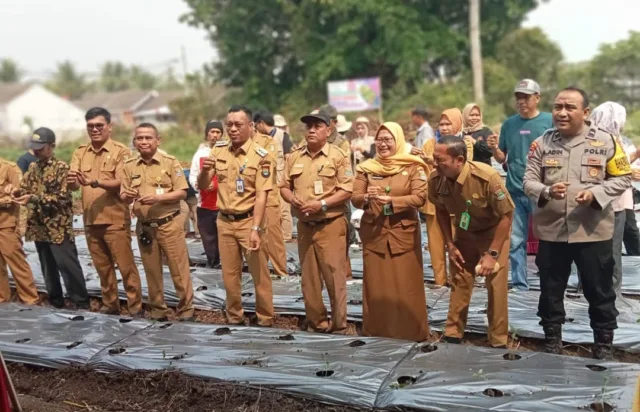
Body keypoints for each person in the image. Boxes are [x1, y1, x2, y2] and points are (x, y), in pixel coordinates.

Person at [524, 88, 631, 359]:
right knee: (550, 290)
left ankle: (603, 343)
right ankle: (552, 339)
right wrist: (547, 192)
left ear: (585, 113)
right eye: (558, 106)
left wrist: (595, 194)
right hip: (552, 232)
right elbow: (529, 181)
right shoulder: (541, 144)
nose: (561, 112)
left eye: (569, 107)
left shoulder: (607, 142)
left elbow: (623, 178)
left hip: (592, 232)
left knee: (599, 290)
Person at [429, 135, 514, 347]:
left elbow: (506, 216)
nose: (434, 163)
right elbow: (439, 209)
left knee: (495, 286)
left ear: (459, 160)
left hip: (493, 234)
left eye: (440, 160)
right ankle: (453, 332)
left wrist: (492, 254)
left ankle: (498, 339)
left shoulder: (487, 177)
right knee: (460, 280)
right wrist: (450, 244)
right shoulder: (435, 179)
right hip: (464, 234)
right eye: (434, 158)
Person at [352, 122, 429, 341]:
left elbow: (420, 198)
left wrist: (393, 201)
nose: (383, 144)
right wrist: (366, 198)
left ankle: (411, 332)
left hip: (402, 233)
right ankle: (377, 331)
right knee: (376, 285)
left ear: (398, 141)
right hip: (375, 233)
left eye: (388, 139)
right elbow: (355, 197)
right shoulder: (366, 168)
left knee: (407, 285)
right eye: (380, 140)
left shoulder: (413, 166)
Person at [198, 106, 275, 326]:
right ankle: (234, 316)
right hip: (224, 222)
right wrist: (205, 171)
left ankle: (265, 318)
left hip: (249, 220)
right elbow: (203, 185)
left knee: (259, 274)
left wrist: (255, 229)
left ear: (250, 126)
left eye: (238, 124)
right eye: (229, 124)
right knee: (230, 276)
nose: (232, 129)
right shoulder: (218, 150)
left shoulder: (262, 156)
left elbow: (262, 195)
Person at [280, 110, 352, 333]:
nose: (311, 130)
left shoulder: (338, 156)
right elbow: (283, 186)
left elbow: (347, 189)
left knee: (334, 277)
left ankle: (339, 325)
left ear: (328, 130)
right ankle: (316, 322)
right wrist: (293, 199)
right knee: (309, 279)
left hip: (330, 224)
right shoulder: (294, 157)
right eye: (308, 126)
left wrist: (321, 204)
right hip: (304, 226)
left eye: (317, 126)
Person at [68, 107, 143, 316]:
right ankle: (110, 305)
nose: (95, 129)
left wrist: (94, 181)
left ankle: (135, 307)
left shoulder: (121, 152)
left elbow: (122, 182)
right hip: (91, 220)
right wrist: (72, 183)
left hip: (115, 220)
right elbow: (74, 186)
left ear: (110, 127)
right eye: (90, 126)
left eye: (99, 125)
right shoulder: (80, 152)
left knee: (126, 266)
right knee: (102, 267)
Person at [120, 123, 195, 322]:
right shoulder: (129, 166)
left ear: (157, 140)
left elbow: (182, 192)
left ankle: (186, 309)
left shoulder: (169, 162)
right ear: (134, 141)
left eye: (148, 138)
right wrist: (126, 196)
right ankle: (158, 310)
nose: (143, 142)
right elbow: (124, 194)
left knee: (178, 270)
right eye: (139, 138)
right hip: (145, 227)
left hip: (168, 224)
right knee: (152, 271)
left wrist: (158, 198)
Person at [11, 127, 89, 309]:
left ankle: (80, 302)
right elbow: (24, 187)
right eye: (35, 147)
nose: (37, 150)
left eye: (41, 147)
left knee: (67, 265)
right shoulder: (33, 167)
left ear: (52, 146)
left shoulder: (61, 168)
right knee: (47, 266)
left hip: (58, 227)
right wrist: (16, 192)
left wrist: (34, 198)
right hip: (39, 226)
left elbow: (63, 199)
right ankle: (56, 301)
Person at [487, 79, 553, 291]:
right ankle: (519, 285)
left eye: (526, 96)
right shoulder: (509, 124)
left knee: (548, 239)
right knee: (516, 240)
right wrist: (494, 149)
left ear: (537, 98)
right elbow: (501, 158)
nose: (521, 101)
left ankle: (550, 281)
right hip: (515, 189)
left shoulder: (549, 122)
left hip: (541, 191)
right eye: (518, 97)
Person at [415, 108, 473, 286]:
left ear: (457, 124)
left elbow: (465, 167)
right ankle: (440, 281)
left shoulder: (465, 144)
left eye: (448, 123)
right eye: (442, 124)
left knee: (458, 242)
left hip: (457, 201)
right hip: (435, 201)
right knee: (435, 245)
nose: (445, 127)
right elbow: (425, 170)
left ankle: (458, 279)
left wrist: (431, 161)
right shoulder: (430, 143)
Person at [590, 102, 635, 294]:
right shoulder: (606, 141)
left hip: (599, 201)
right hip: (612, 203)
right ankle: (609, 292)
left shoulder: (594, 140)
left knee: (600, 249)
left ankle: (601, 290)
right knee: (610, 250)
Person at [0, 158, 38, 305]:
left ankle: (30, 301)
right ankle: (3, 301)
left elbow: (16, 196)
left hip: (6, 225)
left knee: (17, 265)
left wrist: (5, 199)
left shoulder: (9, 168)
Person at [253, 128, 289, 278]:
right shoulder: (231, 144)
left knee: (274, 239)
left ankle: (281, 272)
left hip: (268, 198)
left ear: (251, 125)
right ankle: (260, 272)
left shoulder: (267, 142)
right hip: (246, 200)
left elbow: (269, 162)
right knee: (254, 239)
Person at [255, 110, 294, 244]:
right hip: (266, 180)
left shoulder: (282, 136)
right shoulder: (259, 139)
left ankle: (287, 236)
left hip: (280, 178)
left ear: (260, 123)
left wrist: (287, 179)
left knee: (284, 209)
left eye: (256, 125)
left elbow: (289, 157)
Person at [189, 120, 223, 268]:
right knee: (208, 238)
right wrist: (200, 186)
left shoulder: (227, 151)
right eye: (212, 132)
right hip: (205, 204)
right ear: (207, 134)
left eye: (218, 132)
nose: (215, 135)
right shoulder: (200, 154)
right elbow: (193, 175)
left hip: (223, 204)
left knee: (224, 238)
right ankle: (213, 264)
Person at [182, 169, 199, 237]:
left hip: (184, 193)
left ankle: (185, 232)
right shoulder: (192, 174)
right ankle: (198, 232)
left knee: (185, 212)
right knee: (194, 212)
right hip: (190, 192)